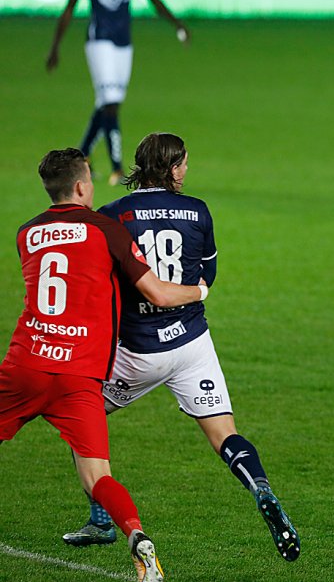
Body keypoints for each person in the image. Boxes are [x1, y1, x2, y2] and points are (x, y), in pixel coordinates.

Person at [55, 133, 300, 562]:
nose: (187, 169)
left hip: (138, 351)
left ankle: (101, 519)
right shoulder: (198, 211)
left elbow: (102, 283)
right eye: (184, 163)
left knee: (79, 418)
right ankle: (260, 486)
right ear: (172, 168)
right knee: (225, 434)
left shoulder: (113, 215)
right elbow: (208, 276)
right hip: (192, 344)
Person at [1, 148, 207, 581]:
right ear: (81, 186)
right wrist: (200, 291)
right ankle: (136, 536)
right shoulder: (106, 229)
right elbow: (158, 293)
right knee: (98, 477)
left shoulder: (26, 233)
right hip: (80, 378)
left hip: (27, 366)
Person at [46, 0, 189, 186]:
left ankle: (81, 158)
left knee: (108, 103)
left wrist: (177, 24)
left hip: (124, 44)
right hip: (99, 41)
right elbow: (70, 7)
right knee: (110, 102)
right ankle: (117, 168)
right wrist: (55, 46)